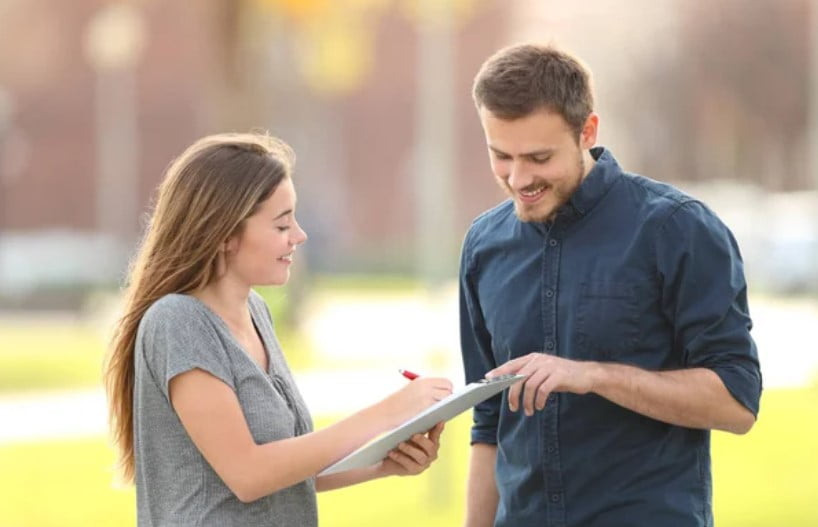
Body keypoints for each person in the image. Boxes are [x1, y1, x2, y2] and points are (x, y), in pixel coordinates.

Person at [459, 44, 762, 527]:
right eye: (501, 156)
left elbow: (737, 401)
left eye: (539, 157)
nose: (519, 178)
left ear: (588, 131)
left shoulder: (677, 230)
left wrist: (594, 376)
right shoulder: (483, 246)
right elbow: (490, 423)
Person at [103, 132, 453, 526]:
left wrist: (385, 463)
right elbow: (248, 474)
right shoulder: (177, 322)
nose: (299, 236)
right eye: (282, 225)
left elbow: (284, 468)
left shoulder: (255, 313)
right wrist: (389, 412)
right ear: (225, 234)